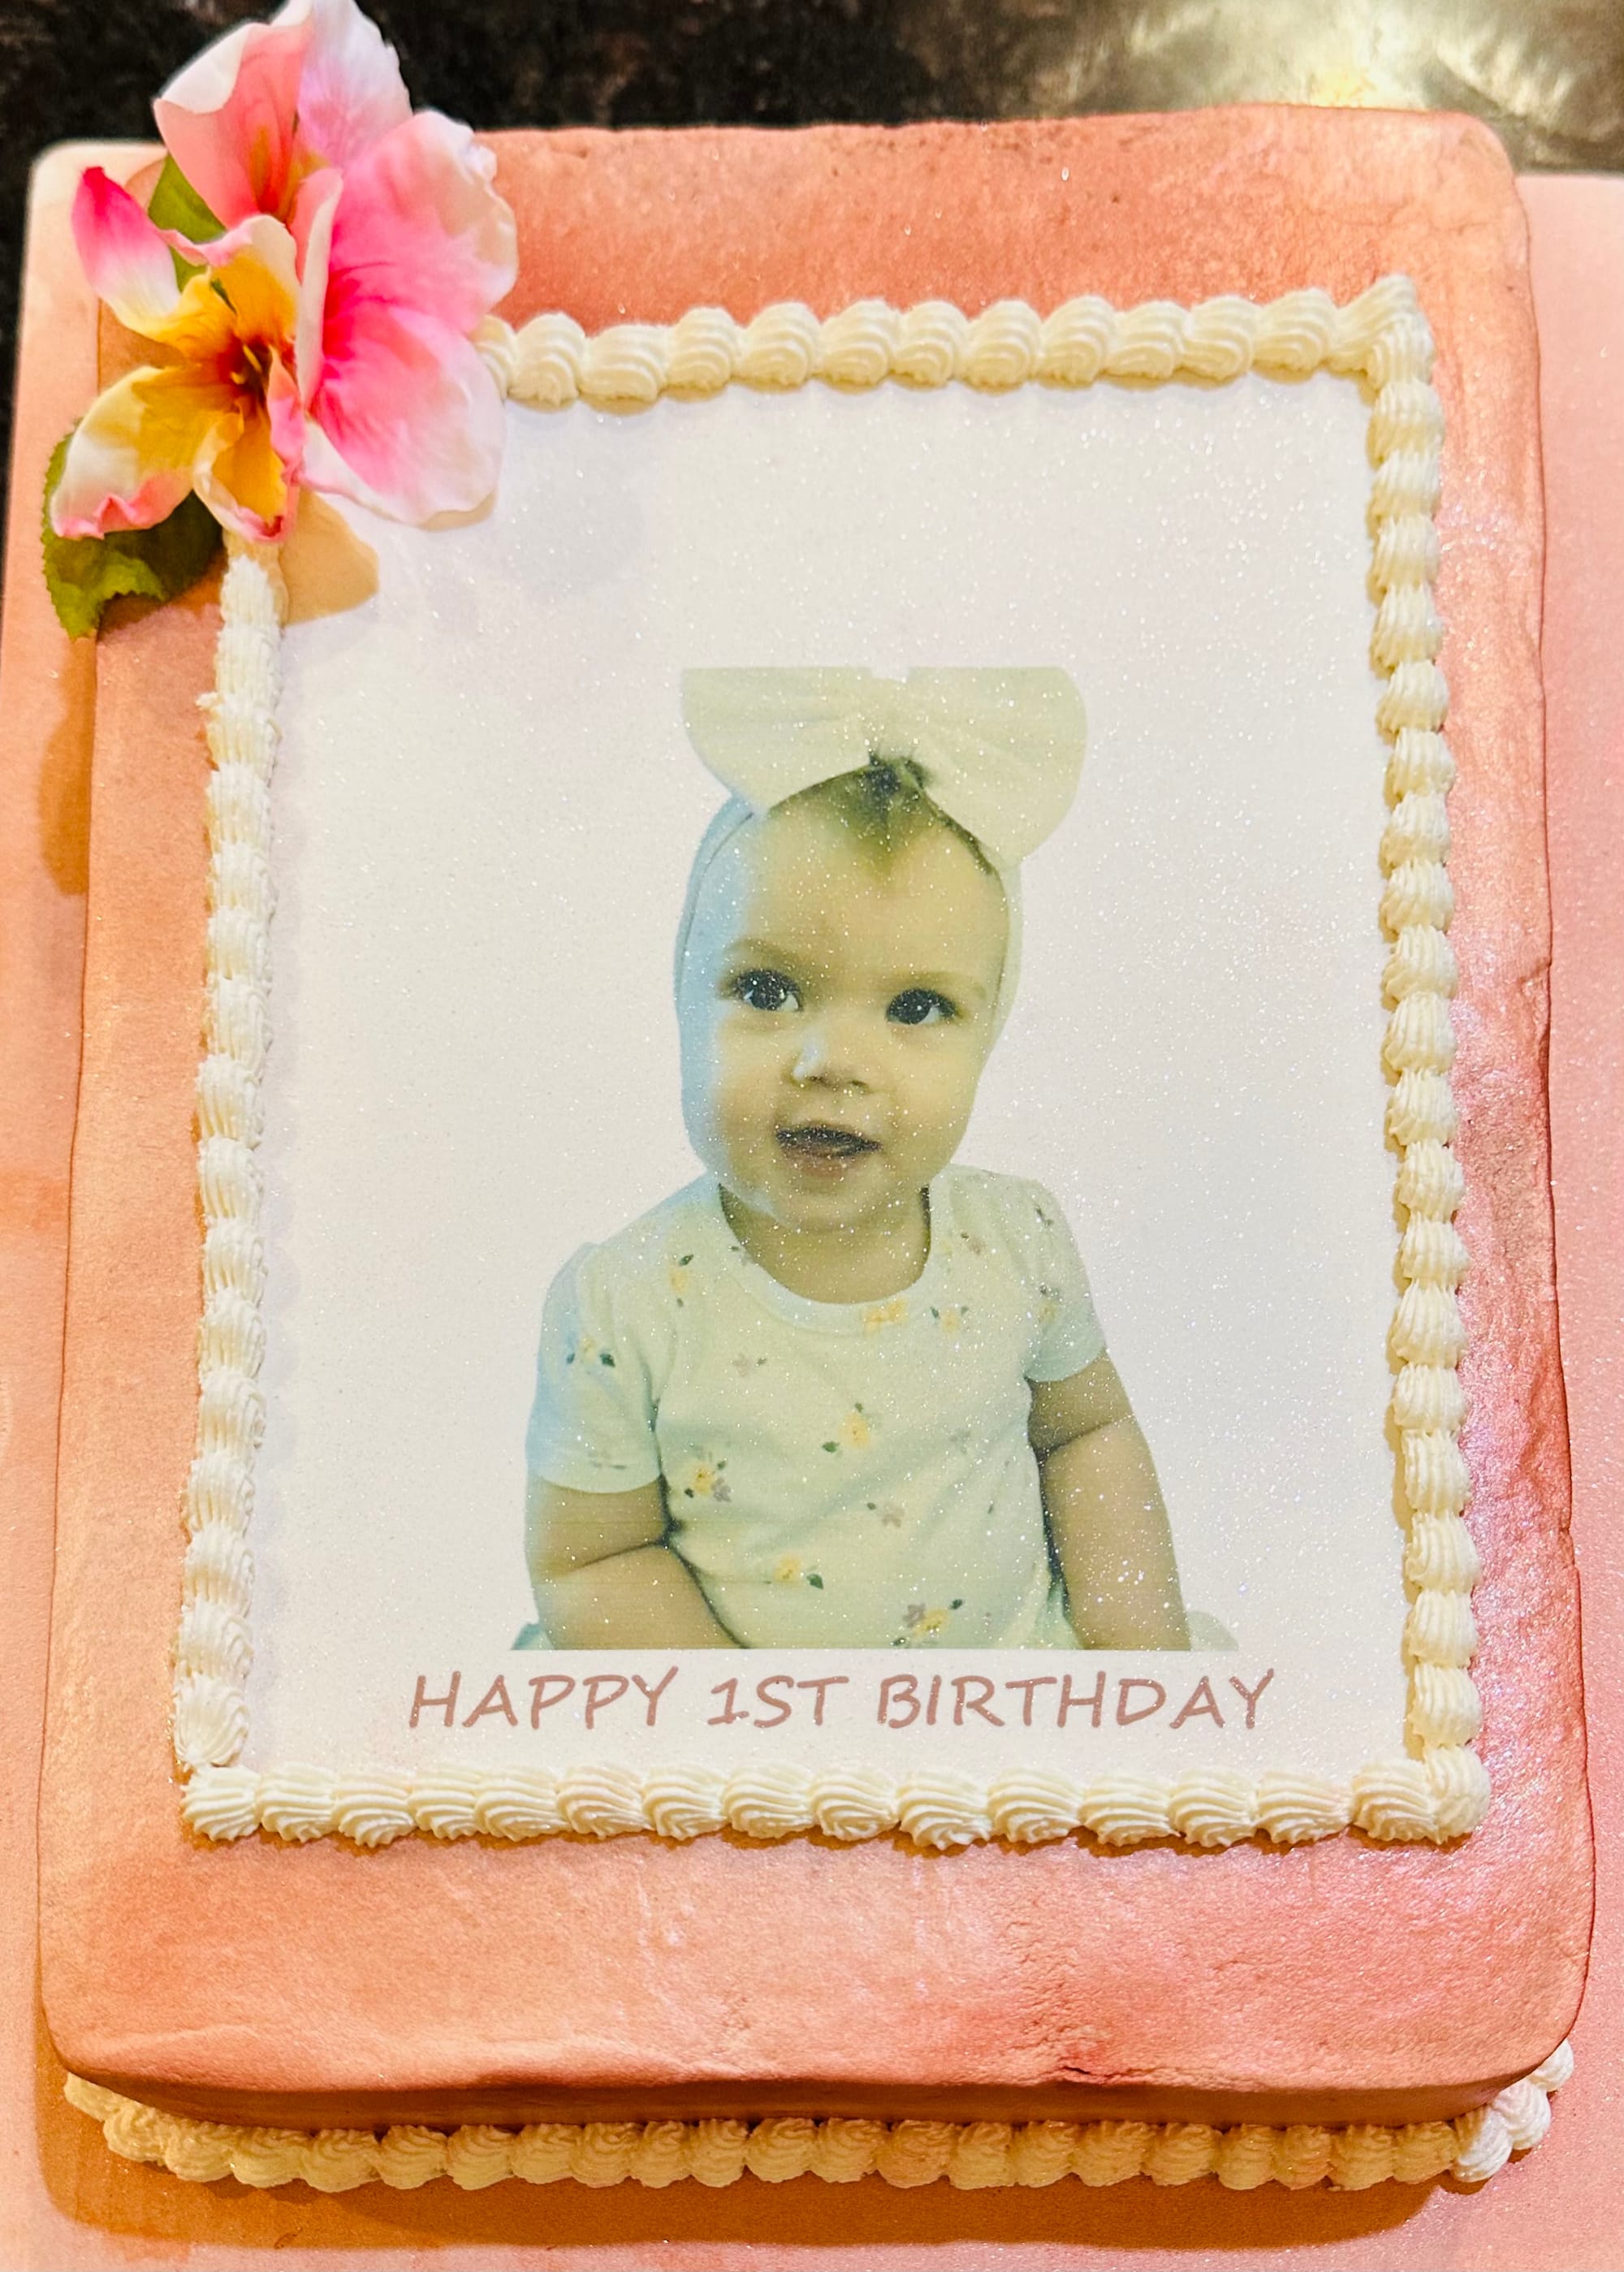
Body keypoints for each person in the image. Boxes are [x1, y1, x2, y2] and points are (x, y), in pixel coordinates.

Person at [521, 667, 1189, 1650]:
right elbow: (591, 1559)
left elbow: (1082, 1437)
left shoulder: (1017, 1241)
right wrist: (761, 1752)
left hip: (1009, 1720)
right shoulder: (625, 1300)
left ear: (986, 1033)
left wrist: (1141, 1677)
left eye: (915, 1007)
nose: (832, 1060)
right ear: (683, 1002)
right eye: (767, 987)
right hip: (756, 1753)